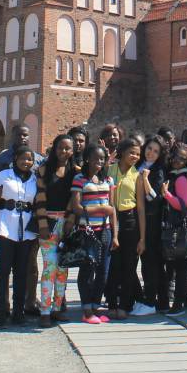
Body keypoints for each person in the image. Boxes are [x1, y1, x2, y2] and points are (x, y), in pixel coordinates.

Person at [0, 141, 39, 327]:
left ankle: (19, 313)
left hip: (26, 232)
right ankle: (0, 313)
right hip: (4, 227)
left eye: (30, 159)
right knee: (2, 272)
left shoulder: (35, 179)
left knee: (21, 273)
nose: (27, 162)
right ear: (15, 158)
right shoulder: (3, 176)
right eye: (24, 158)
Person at [70, 146, 118, 324]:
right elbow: (76, 208)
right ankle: (86, 309)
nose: (99, 162)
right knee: (87, 270)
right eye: (96, 158)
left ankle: (95, 306)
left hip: (105, 230)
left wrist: (115, 235)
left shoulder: (108, 179)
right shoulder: (79, 179)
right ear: (87, 159)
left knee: (103, 271)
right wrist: (99, 209)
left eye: (102, 159)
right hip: (87, 231)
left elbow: (112, 209)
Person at [36, 135, 77, 327]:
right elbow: (40, 199)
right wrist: (42, 224)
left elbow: (75, 200)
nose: (64, 152)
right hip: (49, 223)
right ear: (55, 148)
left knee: (63, 269)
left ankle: (57, 308)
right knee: (49, 268)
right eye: (61, 148)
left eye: (68, 149)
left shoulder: (75, 172)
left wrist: (70, 221)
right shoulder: (44, 170)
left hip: (66, 224)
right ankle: (45, 310)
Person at [106, 136, 148, 318]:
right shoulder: (110, 170)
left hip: (130, 220)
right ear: (122, 152)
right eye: (132, 152)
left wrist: (142, 238)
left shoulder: (137, 175)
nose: (135, 157)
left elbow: (140, 208)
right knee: (113, 264)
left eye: (138, 154)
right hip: (111, 219)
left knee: (129, 265)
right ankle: (111, 303)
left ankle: (125, 305)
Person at [161, 142, 187, 314]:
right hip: (177, 226)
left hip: (179, 227)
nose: (177, 160)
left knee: (180, 266)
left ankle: (178, 304)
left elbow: (182, 204)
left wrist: (165, 194)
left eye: (182, 158)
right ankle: (186, 301)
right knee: (179, 266)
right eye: (176, 156)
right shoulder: (175, 174)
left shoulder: (181, 177)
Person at [136, 136, 168, 312]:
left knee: (152, 261)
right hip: (139, 218)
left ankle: (152, 300)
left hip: (152, 220)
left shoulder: (158, 170)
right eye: (149, 148)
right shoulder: (138, 166)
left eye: (156, 151)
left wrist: (146, 181)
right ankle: (159, 301)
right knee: (146, 260)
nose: (151, 153)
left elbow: (155, 199)